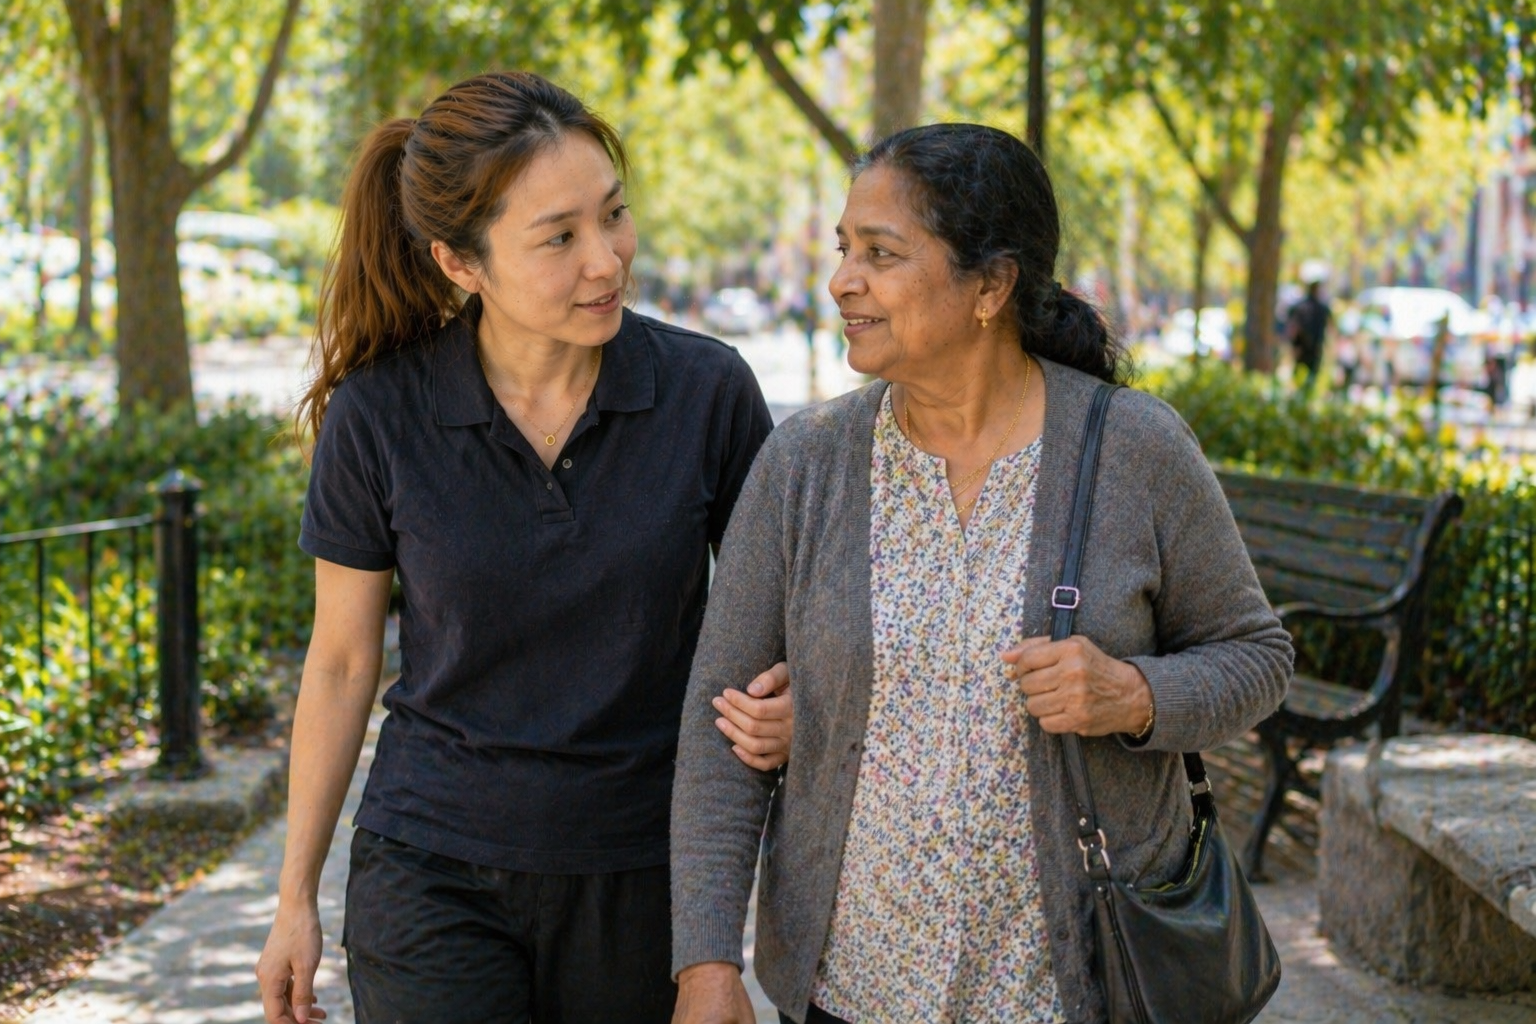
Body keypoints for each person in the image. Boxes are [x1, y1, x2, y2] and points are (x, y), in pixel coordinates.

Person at [669, 123, 1293, 1024]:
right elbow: (719, 724)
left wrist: (1135, 696)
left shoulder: (1134, 448)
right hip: (852, 990)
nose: (843, 280)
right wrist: (707, 966)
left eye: (881, 254)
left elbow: (1258, 658)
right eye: (845, 250)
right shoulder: (805, 463)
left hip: (1072, 991)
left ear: (992, 286)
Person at [254, 71, 795, 1024]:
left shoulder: (708, 394)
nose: (607, 260)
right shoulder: (378, 414)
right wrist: (293, 897)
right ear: (461, 264)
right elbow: (339, 662)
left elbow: (779, 627)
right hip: (432, 867)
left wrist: (796, 707)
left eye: (613, 215)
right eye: (560, 237)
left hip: (641, 872)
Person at [1286, 280, 1332, 391]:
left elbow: (1293, 327)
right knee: (1308, 376)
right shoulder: (1318, 308)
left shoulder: (1303, 306)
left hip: (1306, 347)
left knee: (1302, 376)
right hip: (1311, 347)